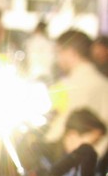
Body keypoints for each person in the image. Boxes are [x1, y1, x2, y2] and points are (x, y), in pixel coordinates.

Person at [46, 29, 108, 157]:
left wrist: (43, 142)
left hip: (77, 162)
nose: (58, 59)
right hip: (94, 161)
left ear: (70, 52)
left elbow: (61, 128)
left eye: (59, 52)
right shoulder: (101, 81)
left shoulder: (74, 84)